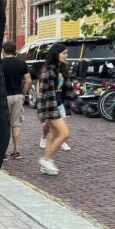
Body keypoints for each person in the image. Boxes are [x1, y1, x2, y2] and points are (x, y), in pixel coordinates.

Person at [36, 43, 74, 176]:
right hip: (50, 106)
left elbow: (66, 89)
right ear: (56, 54)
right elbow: (45, 94)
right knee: (64, 134)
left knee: (52, 136)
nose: (66, 56)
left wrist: (72, 101)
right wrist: (48, 111)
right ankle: (45, 160)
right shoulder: (48, 70)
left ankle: (46, 163)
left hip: (58, 105)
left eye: (66, 53)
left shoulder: (61, 68)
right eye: (64, 53)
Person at [0, 41, 31, 159]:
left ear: (4, 51)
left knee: (4, 125)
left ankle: (3, 152)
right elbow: (28, 80)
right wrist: (23, 93)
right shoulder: (22, 63)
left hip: (4, 96)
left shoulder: (0, 64)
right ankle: (17, 151)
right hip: (18, 95)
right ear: (14, 50)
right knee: (16, 124)